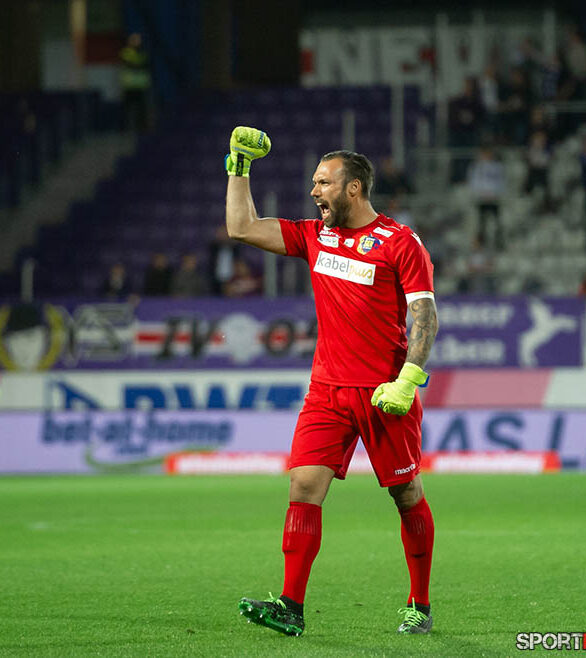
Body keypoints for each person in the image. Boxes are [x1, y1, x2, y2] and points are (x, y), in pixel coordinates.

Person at [225, 127, 439, 636]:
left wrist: (408, 379)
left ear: (353, 189)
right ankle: (290, 607)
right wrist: (238, 167)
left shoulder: (399, 243)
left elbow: (425, 316)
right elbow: (241, 228)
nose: (314, 192)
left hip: (385, 393)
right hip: (328, 390)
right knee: (303, 484)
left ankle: (420, 603)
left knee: (406, 493)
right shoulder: (314, 236)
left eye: (322, 183)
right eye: (313, 183)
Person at [467, 147, 505, 248]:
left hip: (494, 198)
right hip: (481, 198)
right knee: (481, 222)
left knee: (497, 221)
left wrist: (495, 193)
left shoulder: (497, 166)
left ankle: (498, 241)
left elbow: (501, 181)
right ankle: (481, 243)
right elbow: (473, 182)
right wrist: (481, 193)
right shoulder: (476, 167)